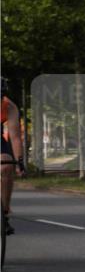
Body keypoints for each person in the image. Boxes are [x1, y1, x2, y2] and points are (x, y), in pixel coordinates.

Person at [2, 77, 26, 234]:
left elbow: (15, 137)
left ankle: (4, 212)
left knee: (6, 164)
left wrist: (20, 161)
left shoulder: (9, 106)